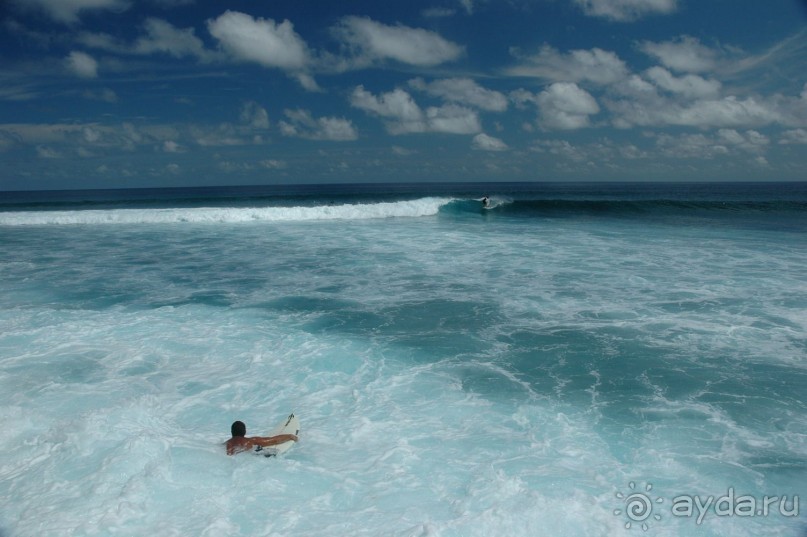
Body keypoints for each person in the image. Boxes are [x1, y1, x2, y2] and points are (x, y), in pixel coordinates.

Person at [225, 420, 298, 455]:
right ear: (245, 432)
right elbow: (273, 440)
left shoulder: (225, 444)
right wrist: (290, 436)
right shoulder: (250, 441)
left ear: (231, 432)